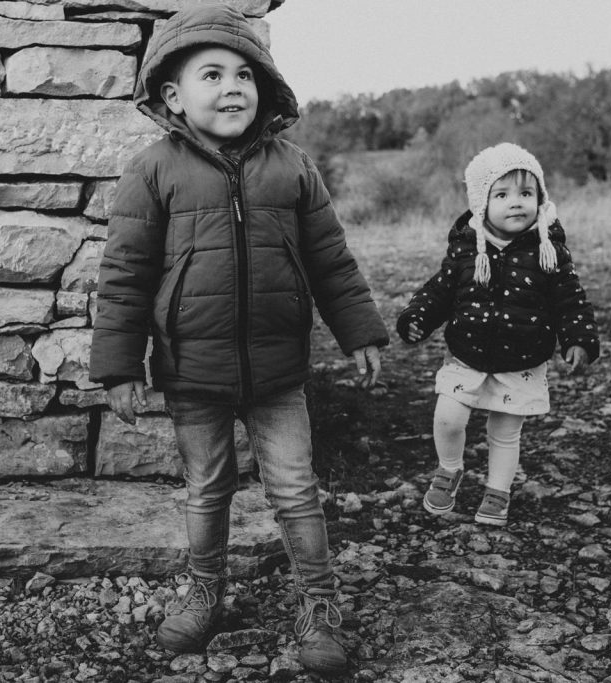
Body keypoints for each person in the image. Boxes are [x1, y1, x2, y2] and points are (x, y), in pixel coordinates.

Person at [89, 4, 388, 674]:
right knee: (207, 487)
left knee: (295, 487)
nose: (233, 87)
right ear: (172, 94)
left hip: (280, 372)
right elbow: (126, 273)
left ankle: (318, 604)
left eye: (246, 74)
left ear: (265, 87)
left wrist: (359, 329)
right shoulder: (152, 171)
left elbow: (330, 258)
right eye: (213, 74)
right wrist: (119, 365)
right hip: (191, 369)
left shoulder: (292, 166)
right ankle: (204, 590)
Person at [396, 142, 599, 526]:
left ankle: (498, 492)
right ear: (480, 203)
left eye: (526, 193)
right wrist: (417, 316)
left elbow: (570, 300)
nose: (516, 203)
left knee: (504, 431)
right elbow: (440, 291)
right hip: (466, 353)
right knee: (448, 416)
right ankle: (449, 469)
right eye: (502, 194)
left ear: (540, 198)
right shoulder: (465, 250)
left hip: (521, 359)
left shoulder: (549, 250)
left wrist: (579, 338)